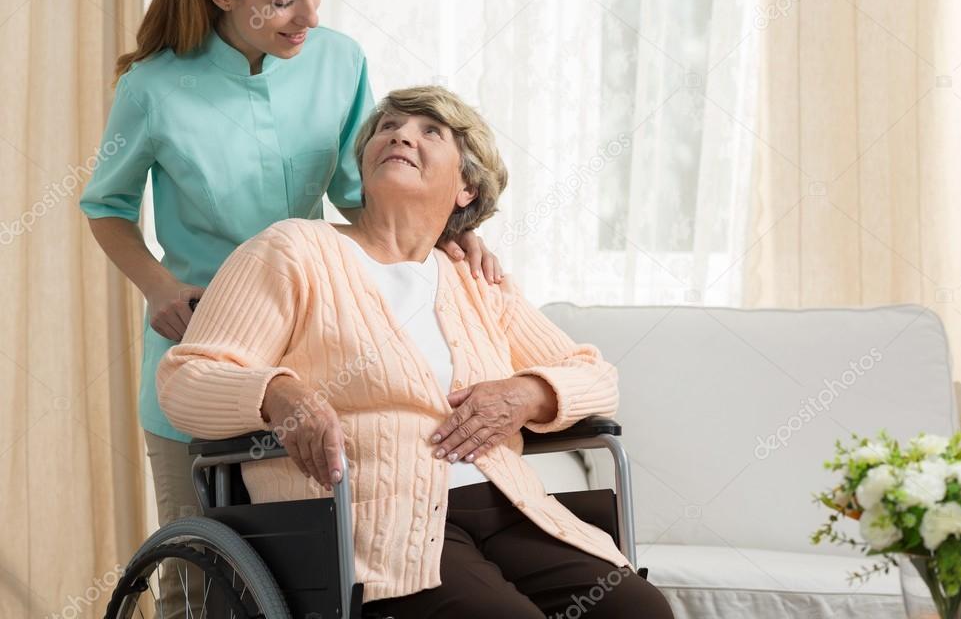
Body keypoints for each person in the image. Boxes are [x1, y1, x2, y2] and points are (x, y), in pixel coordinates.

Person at [79, 0, 501, 617]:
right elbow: (106, 207)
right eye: (282, 0)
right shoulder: (153, 87)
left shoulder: (339, 61)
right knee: (196, 580)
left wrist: (453, 241)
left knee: (301, 575)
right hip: (202, 351)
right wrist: (157, 287)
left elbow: (359, 190)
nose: (308, 15)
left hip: (313, 355)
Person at [157, 85, 673, 618]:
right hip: (374, 519)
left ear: (466, 188)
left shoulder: (474, 279)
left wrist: (528, 394)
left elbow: (595, 374)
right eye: (388, 128)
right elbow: (187, 378)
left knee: (639, 611)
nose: (401, 134)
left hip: (510, 507)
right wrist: (279, 395)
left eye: (432, 131)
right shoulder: (294, 250)